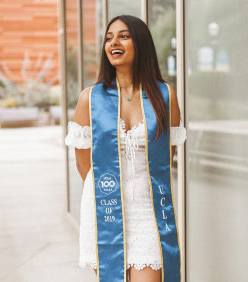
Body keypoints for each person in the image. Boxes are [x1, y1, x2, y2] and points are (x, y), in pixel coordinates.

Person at [65, 14, 186, 282]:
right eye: (109, 38)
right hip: (105, 210)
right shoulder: (91, 98)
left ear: (140, 43)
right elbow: (83, 163)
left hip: (149, 212)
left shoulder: (165, 96)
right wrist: (110, 192)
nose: (113, 42)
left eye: (123, 35)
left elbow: (166, 156)